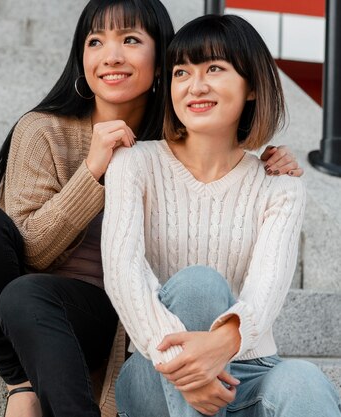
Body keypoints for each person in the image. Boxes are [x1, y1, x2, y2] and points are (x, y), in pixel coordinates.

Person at [0, 1, 303, 416]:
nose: (112, 56)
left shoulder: (172, 138)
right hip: (2, 311)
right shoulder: (43, 130)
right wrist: (91, 171)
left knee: (33, 295)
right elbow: (29, 250)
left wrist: (261, 160)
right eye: (96, 41)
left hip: (101, 316)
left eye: (131, 40)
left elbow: (220, 174)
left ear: (163, 60)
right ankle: (21, 380)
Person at [102, 14, 341, 417]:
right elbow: (122, 272)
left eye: (214, 68)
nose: (196, 86)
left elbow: (265, 295)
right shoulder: (134, 163)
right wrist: (189, 368)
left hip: (251, 369)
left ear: (251, 86)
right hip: (158, 368)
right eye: (181, 72)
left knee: (306, 381)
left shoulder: (280, 184)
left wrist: (222, 345)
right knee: (199, 285)